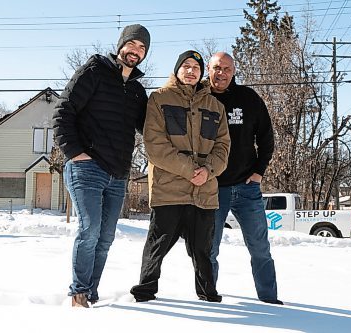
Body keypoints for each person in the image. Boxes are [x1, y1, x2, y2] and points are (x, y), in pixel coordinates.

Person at [52, 24, 151, 308]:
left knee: (106, 238)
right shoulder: (93, 72)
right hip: (87, 168)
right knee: (90, 229)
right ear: (120, 45)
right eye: (132, 44)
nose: (136, 51)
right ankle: (79, 293)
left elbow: (150, 129)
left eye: (142, 48)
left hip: (118, 175)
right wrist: (75, 153)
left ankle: (92, 294)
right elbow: (63, 112)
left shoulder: (136, 91)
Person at [130, 50, 230, 303]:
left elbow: (223, 147)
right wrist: (190, 170)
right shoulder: (159, 99)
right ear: (177, 70)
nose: (190, 71)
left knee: (203, 252)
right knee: (157, 247)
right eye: (185, 66)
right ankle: (145, 292)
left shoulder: (215, 107)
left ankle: (208, 294)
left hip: (204, 193)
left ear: (201, 72)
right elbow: (155, 146)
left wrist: (207, 171)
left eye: (195, 67)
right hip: (169, 191)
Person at [207, 52, 283, 305]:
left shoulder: (248, 99)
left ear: (234, 71)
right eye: (217, 67)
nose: (222, 73)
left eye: (227, 68)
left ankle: (269, 298)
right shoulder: (199, 98)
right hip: (212, 188)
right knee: (209, 249)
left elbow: (266, 139)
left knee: (260, 247)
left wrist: (259, 172)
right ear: (209, 69)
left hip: (246, 188)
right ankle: (208, 296)